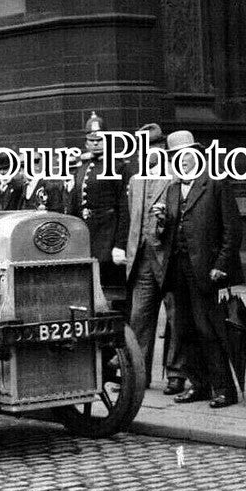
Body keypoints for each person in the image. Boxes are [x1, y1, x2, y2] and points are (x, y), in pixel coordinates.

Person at [164, 130, 244, 409]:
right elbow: (170, 232)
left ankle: (224, 389)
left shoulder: (215, 183)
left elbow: (232, 230)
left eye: (186, 155)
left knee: (208, 329)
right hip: (178, 269)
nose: (182, 161)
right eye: (176, 157)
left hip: (206, 270)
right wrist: (163, 222)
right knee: (184, 330)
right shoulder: (173, 189)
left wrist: (221, 265)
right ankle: (199, 385)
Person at [123, 126, 176, 390]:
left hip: (168, 259)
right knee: (139, 318)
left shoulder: (176, 179)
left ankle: (177, 376)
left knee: (175, 318)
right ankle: (139, 375)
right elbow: (132, 219)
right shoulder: (135, 181)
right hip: (142, 260)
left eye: (155, 147)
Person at [67, 112, 129, 303]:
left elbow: (124, 208)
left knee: (113, 296)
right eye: (91, 140)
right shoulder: (83, 167)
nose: (95, 143)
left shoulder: (118, 167)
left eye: (100, 139)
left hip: (108, 240)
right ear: (86, 143)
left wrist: (120, 245)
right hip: (87, 239)